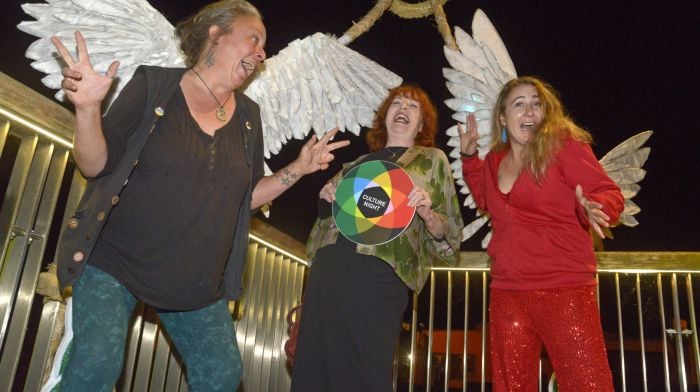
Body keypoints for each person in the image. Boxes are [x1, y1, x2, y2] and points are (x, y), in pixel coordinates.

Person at [49, 1, 349, 390]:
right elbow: (95, 166)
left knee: (223, 375)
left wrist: (299, 168)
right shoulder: (154, 84)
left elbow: (247, 198)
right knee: (96, 364)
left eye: (264, 46)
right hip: (114, 261)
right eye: (253, 39)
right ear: (215, 35)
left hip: (193, 278)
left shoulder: (248, 117)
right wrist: (88, 109)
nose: (261, 53)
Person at [291, 85, 464, 392]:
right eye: (397, 104)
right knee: (315, 366)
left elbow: (447, 235)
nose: (403, 109)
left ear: (422, 124)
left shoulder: (431, 161)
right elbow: (325, 217)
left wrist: (428, 214)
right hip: (331, 268)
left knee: (367, 367)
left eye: (413, 107)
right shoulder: (357, 164)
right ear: (384, 117)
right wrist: (326, 194)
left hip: (380, 275)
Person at [458, 76, 624, 391]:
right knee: (511, 386)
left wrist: (594, 206)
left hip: (564, 289)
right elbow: (486, 199)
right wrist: (470, 159)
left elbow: (607, 192)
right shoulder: (494, 160)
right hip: (507, 292)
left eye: (536, 104)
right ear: (503, 118)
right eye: (519, 104)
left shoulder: (564, 148)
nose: (530, 111)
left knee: (587, 384)